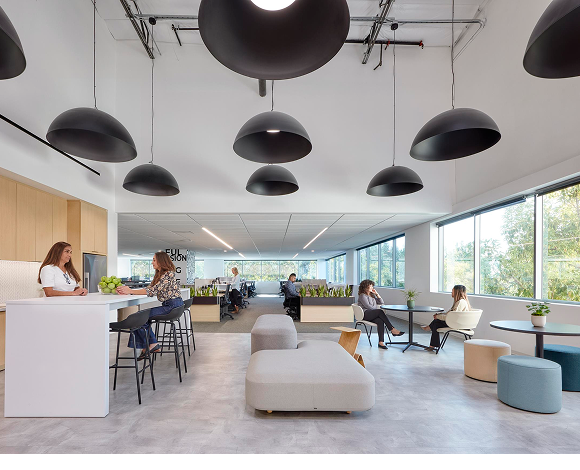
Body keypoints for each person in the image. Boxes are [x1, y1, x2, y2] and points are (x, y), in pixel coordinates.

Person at [116, 251, 184, 360]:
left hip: (172, 306)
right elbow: (149, 288)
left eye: (154, 260)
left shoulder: (168, 274)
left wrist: (130, 291)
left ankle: (151, 345)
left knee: (138, 318)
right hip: (171, 305)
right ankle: (148, 346)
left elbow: (152, 291)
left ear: (161, 261)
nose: (152, 262)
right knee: (139, 317)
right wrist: (128, 291)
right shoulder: (160, 274)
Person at [421, 284, 471, 351]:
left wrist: (438, 316)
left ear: (457, 292)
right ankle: (432, 344)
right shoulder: (461, 301)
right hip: (457, 322)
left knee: (436, 323)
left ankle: (429, 330)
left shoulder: (460, 302)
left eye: (452, 291)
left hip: (456, 324)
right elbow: (450, 313)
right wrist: (439, 315)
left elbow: (451, 317)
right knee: (436, 323)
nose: (451, 292)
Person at [358, 280, 404, 349]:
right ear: (365, 287)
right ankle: (392, 329)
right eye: (371, 286)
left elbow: (381, 302)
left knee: (380, 321)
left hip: (372, 314)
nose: (372, 287)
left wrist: (376, 294)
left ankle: (381, 342)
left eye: (372, 286)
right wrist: (375, 309)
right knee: (380, 311)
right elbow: (369, 307)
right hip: (365, 314)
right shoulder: (362, 296)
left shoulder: (372, 296)